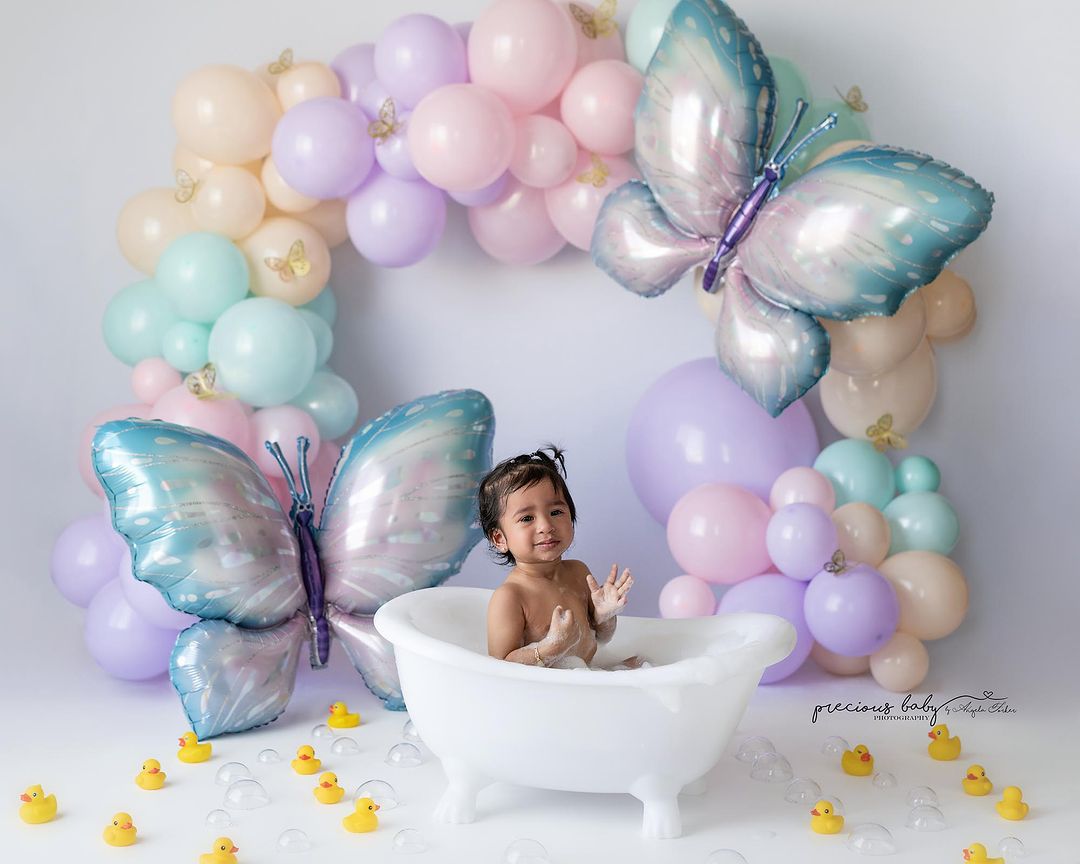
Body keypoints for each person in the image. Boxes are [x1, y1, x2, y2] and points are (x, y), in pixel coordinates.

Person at [480, 446, 640, 669]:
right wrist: (550, 648)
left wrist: (605, 616)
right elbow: (499, 667)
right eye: (527, 518)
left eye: (556, 512)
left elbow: (600, 637)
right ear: (499, 539)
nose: (546, 526)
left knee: (642, 663)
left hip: (586, 677)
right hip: (549, 693)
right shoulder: (510, 597)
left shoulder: (578, 572)